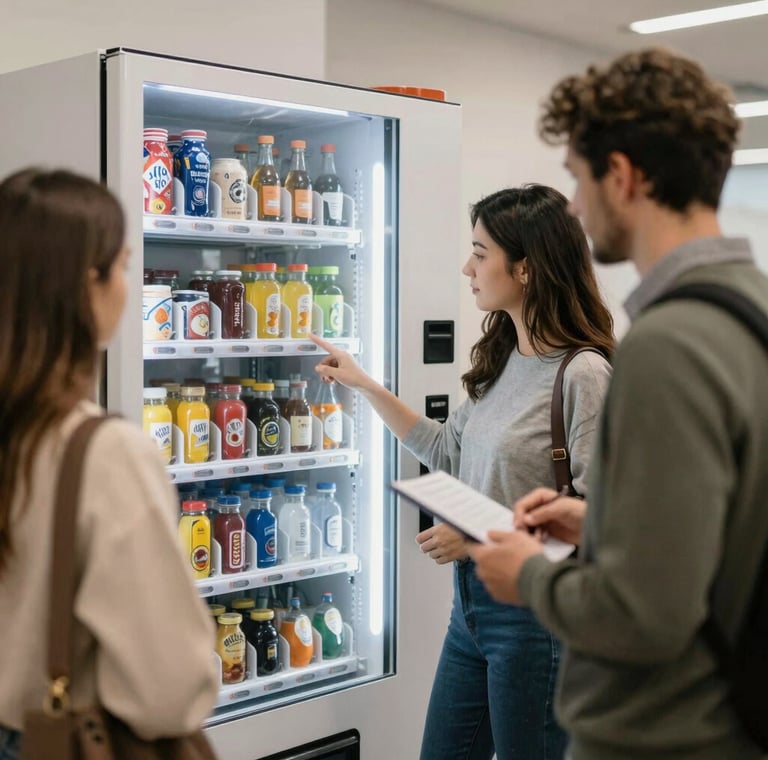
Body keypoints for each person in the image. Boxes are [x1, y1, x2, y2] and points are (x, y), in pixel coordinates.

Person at [468, 48, 768, 760]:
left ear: (624, 177)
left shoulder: (669, 346)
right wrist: (603, 519)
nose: (573, 205)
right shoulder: (749, 310)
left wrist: (529, 576)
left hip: (658, 736)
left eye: (577, 177)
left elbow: (643, 617)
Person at [310, 184, 614, 760]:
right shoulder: (505, 358)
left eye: (480, 253)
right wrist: (365, 384)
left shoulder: (584, 375)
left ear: (524, 268)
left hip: (535, 621)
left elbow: (602, 526)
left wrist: (477, 537)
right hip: (471, 612)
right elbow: (447, 450)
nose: (466, 267)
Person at [0, 168, 219, 759]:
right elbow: (169, 692)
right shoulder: (102, 453)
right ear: (84, 285)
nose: (127, 287)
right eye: (122, 267)